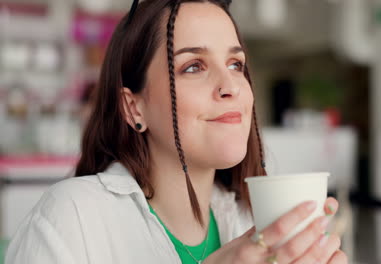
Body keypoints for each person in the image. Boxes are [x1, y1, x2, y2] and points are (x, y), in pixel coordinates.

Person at [5, 0, 348, 263]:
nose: (231, 86)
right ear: (133, 107)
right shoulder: (72, 218)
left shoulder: (248, 217)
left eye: (235, 64)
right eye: (193, 66)